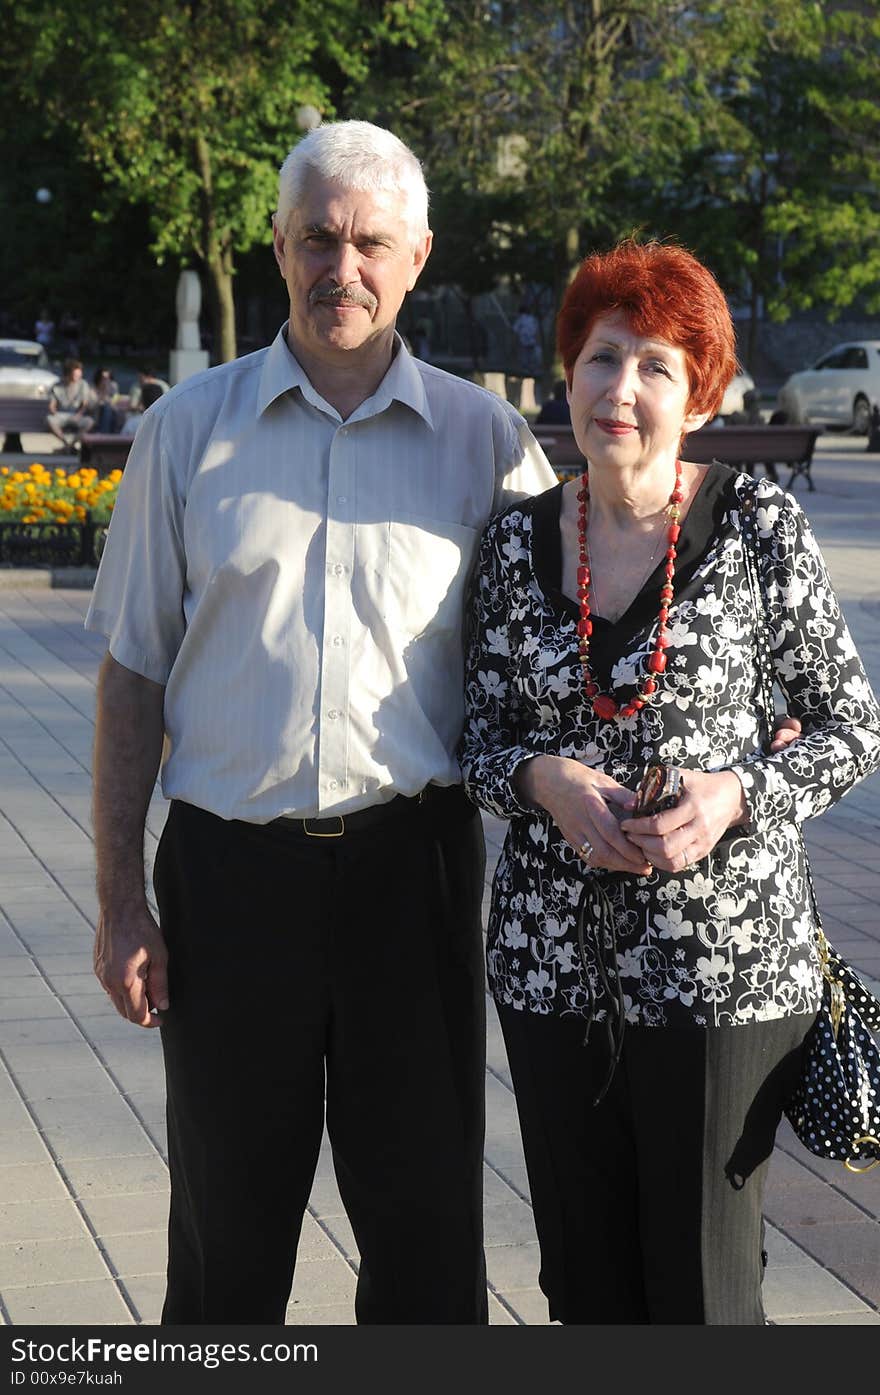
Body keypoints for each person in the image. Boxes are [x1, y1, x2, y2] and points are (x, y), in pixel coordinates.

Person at [85, 119, 557, 1326]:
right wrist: (121, 901)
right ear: (278, 246)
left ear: (418, 259)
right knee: (226, 1235)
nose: (339, 267)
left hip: (416, 874)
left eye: (369, 243)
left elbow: (563, 653)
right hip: (229, 882)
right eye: (316, 239)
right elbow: (132, 676)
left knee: (425, 1230)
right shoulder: (189, 431)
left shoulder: (486, 443)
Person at [461, 240, 880, 1325]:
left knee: (702, 1287)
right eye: (604, 358)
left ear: (698, 395)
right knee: (583, 1282)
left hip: (724, 970)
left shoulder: (755, 526)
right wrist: (543, 777)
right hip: (550, 968)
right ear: (569, 375)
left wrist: (737, 793)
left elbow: (848, 727)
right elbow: (478, 739)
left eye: (658, 366)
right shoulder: (514, 543)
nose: (624, 391)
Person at [46, 358, 95, 448]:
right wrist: (53, 411)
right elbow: (52, 405)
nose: (78, 377)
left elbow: (85, 404)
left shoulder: (83, 384)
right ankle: (66, 442)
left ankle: (71, 445)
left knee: (89, 422)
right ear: (68, 374)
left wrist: (79, 414)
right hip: (61, 414)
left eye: (79, 375)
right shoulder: (57, 386)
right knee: (50, 419)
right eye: (75, 375)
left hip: (77, 415)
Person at [513, 302, 542, 377]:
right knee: (531, 356)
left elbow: (515, 330)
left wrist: (515, 341)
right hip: (532, 341)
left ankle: (525, 369)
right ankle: (532, 369)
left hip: (523, 341)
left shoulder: (520, 319)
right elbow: (536, 331)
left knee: (524, 356)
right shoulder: (533, 319)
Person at [92, 367, 122, 433]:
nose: (105, 380)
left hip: (111, 409)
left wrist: (106, 390)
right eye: (103, 378)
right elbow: (94, 400)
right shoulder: (94, 387)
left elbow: (115, 400)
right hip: (97, 409)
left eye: (107, 378)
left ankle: (104, 432)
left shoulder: (114, 386)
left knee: (108, 408)